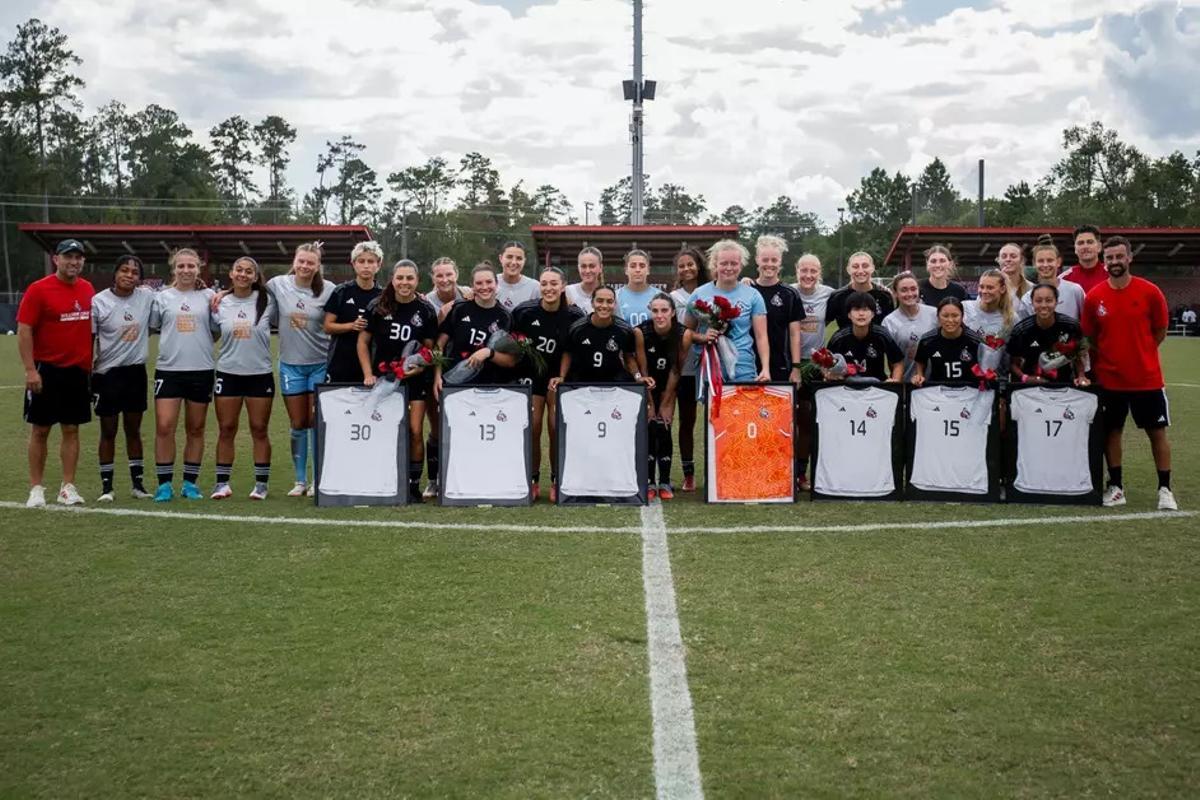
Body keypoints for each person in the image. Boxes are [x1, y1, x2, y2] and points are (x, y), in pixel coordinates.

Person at [1081, 236, 1177, 510]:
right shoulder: (1095, 297)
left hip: (1146, 379)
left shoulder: (1150, 292)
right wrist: (1110, 360)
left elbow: (1159, 331)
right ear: (1105, 260)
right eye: (1109, 258)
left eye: (1119, 257)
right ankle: (1117, 487)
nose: (1114, 262)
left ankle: (1165, 489)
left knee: (1157, 434)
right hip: (1110, 381)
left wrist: (1140, 354)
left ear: (1129, 258)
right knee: (1112, 433)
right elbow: (1090, 337)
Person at [17, 238, 95, 507]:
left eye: (78, 257)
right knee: (40, 430)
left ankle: (67, 487)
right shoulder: (38, 290)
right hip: (46, 370)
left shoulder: (87, 289)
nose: (74, 262)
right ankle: (36, 489)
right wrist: (30, 369)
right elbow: (24, 329)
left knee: (71, 429)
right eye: (68, 257)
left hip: (77, 371)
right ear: (56, 259)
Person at [358, 260, 439, 502]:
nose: (404, 283)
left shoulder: (425, 310)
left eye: (409, 278)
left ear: (417, 281)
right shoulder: (378, 306)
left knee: (414, 430)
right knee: (385, 429)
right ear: (393, 279)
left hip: (415, 379)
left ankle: (413, 486)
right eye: (400, 278)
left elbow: (429, 351)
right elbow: (362, 342)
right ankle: (384, 479)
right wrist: (367, 374)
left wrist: (415, 368)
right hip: (385, 378)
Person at [511, 266, 585, 501]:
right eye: (544, 283)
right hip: (530, 377)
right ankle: (531, 479)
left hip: (557, 377)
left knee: (555, 428)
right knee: (532, 426)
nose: (549, 288)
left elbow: (573, 351)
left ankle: (556, 479)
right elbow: (510, 344)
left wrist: (564, 376)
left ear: (563, 286)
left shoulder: (574, 315)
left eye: (554, 283)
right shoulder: (524, 312)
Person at [267, 242, 335, 497]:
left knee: (316, 422)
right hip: (290, 365)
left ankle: (318, 478)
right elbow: (247, 290)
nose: (305, 266)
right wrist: (219, 293)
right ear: (294, 261)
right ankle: (299, 480)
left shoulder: (329, 290)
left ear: (318, 266)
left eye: (311, 263)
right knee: (298, 422)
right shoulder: (277, 284)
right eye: (301, 261)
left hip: (320, 364)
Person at [150, 248, 216, 502]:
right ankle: (164, 484)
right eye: (181, 266)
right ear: (173, 269)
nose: (186, 271)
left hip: (201, 369)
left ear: (199, 269)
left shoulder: (209, 296)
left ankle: (190, 482)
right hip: (169, 370)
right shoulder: (162, 297)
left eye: (191, 266)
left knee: (196, 428)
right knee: (165, 426)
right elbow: (155, 326)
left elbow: (216, 330)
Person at [211, 257, 276, 500]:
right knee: (226, 428)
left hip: (259, 374)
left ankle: (261, 484)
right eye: (239, 270)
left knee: (259, 429)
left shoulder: (268, 301)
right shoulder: (220, 302)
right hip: (228, 373)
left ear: (255, 276)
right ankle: (221, 483)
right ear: (231, 273)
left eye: (249, 271)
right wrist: (221, 293)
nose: (243, 274)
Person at [90, 255, 154, 501]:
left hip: (135, 372)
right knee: (108, 430)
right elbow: (90, 340)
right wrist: (90, 373)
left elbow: (175, 293)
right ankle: (107, 487)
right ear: (115, 273)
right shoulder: (99, 301)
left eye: (135, 272)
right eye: (124, 270)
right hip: (107, 374)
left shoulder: (147, 297)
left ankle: (138, 485)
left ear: (140, 278)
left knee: (133, 430)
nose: (129, 275)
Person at [684, 239, 771, 383]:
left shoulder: (753, 295)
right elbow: (686, 332)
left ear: (741, 265)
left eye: (734, 263)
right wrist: (703, 337)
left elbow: (761, 336)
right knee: (714, 406)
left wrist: (766, 368)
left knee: (742, 406)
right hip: (711, 365)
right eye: (724, 263)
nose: (729, 268)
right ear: (715, 265)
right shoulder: (699, 294)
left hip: (742, 366)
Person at [551, 285, 651, 387]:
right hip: (581, 383)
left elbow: (628, 357)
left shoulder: (624, 329)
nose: (604, 306)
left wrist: (638, 377)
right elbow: (568, 353)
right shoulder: (577, 328)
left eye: (609, 301)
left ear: (615, 304)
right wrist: (562, 376)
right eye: (600, 301)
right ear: (592, 303)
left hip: (613, 383)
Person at [792, 253, 834, 491]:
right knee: (785, 422)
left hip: (814, 366)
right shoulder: (787, 291)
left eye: (813, 271)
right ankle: (782, 470)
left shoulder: (829, 293)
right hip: (789, 364)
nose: (808, 275)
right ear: (796, 270)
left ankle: (800, 473)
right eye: (804, 270)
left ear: (820, 272)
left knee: (807, 422)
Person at [635, 293, 682, 501]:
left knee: (664, 425)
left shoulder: (682, 334)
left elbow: (676, 370)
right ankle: (648, 481)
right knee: (649, 426)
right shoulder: (641, 332)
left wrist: (665, 403)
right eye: (655, 311)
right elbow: (643, 368)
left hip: (668, 386)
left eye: (664, 310)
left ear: (672, 312)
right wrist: (650, 402)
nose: (660, 315)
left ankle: (664, 480)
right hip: (648, 384)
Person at [323, 241, 383, 384]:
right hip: (341, 363)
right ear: (353, 264)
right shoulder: (341, 291)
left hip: (373, 365)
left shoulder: (384, 296)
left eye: (371, 261)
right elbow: (327, 327)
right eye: (361, 261)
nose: (366, 265)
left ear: (379, 264)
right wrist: (351, 326)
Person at [747, 235, 804, 384]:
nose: (769, 264)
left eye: (774, 260)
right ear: (757, 259)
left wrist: (796, 368)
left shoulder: (789, 294)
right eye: (765, 260)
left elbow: (794, 334)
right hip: (748, 364)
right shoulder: (746, 290)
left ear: (780, 262)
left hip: (781, 365)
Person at [669, 247, 704, 491]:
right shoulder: (673, 297)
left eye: (690, 264)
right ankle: (688, 472)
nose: (686, 269)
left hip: (711, 364)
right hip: (683, 367)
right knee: (685, 420)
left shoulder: (711, 291)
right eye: (681, 266)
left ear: (699, 265)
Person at [1007, 283, 1090, 386]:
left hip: (1064, 384)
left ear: (1056, 302)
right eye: (1038, 301)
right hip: (1031, 387)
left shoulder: (1071, 326)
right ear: (1032, 303)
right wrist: (1025, 378)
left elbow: (1079, 355)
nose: (1044, 305)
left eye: (1049, 300)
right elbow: (1013, 364)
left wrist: (1081, 376)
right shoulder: (1021, 330)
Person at [825, 291, 904, 382]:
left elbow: (898, 362)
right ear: (849, 315)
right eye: (856, 309)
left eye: (865, 309)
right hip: (847, 389)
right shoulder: (839, 338)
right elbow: (825, 365)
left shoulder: (882, 334)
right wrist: (829, 375)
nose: (861, 313)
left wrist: (895, 380)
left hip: (877, 387)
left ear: (873, 314)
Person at [912, 298, 982, 386]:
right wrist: (919, 375)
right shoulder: (927, 340)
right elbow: (920, 361)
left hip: (968, 392)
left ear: (962, 316)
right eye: (945, 316)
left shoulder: (975, 341)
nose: (950, 320)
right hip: (937, 391)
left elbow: (983, 366)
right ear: (938, 316)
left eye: (955, 315)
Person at [882, 272, 938, 382]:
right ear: (895, 293)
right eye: (904, 290)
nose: (909, 293)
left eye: (913, 289)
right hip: (906, 383)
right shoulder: (889, 322)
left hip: (935, 382)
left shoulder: (934, 314)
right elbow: (892, 361)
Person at [1019, 238, 1085, 321]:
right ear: (1034, 263)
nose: (1045, 265)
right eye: (1041, 261)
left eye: (1050, 260)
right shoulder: (1027, 298)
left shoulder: (1075, 291)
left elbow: (1086, 322)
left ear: (1058, 262)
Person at [825, 251, 895, 329]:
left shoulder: (885, 296)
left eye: (865, 266)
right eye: (855, 266)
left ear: (872, 268)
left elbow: (892, 326)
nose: (860, 271)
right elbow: (822, 324)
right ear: (848, 269)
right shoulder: (838, 297)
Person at [1061, 224, 1108, 295]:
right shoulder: (1064, 279)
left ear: (1099, 247)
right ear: (1075, 249)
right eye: (1080, 243)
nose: (1085, 246)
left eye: (1090, 242)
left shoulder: (1111, 275)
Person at [616, 249, 658, 325]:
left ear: (648, 270)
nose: (638, 270)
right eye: (633, 266)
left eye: (642, 266)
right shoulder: (616, 296)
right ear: (626, 270)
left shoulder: (659, 295)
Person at [494, 241, 540, 311]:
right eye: (509, 257)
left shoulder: (535, 288)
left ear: (524, 261)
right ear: (501, 258)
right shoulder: (489, 283)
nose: (514, 262)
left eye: (519, 258)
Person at [997, 242, 1033, 315]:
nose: (1008, 259)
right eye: (1004, 256)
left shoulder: (1032, 289)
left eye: (1013, 256)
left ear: (1022, 261)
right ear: (998, 260)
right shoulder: (989, 288)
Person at [565, 247, 604, 313]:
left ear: (600, 267)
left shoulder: (608, 294)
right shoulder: (568, 292)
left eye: (592, 266)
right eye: (583, 266)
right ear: (578, 268)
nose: (587, 271)